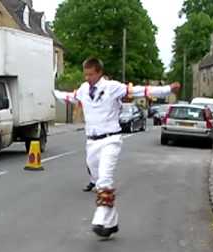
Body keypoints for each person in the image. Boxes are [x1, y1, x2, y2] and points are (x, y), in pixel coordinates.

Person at [54, 58, 180, 238]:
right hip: (91, 142)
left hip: (110, 140)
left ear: (99, 72)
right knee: (99, 184)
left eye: (90, 74)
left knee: (105, 180)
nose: (87, 77)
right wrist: (52, 92)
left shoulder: (112, 87)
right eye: (85, 74)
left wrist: (167, 89)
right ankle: (111, 222)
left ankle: (100, 218)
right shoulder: (83, 89)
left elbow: (140, 91)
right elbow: (69, 97)